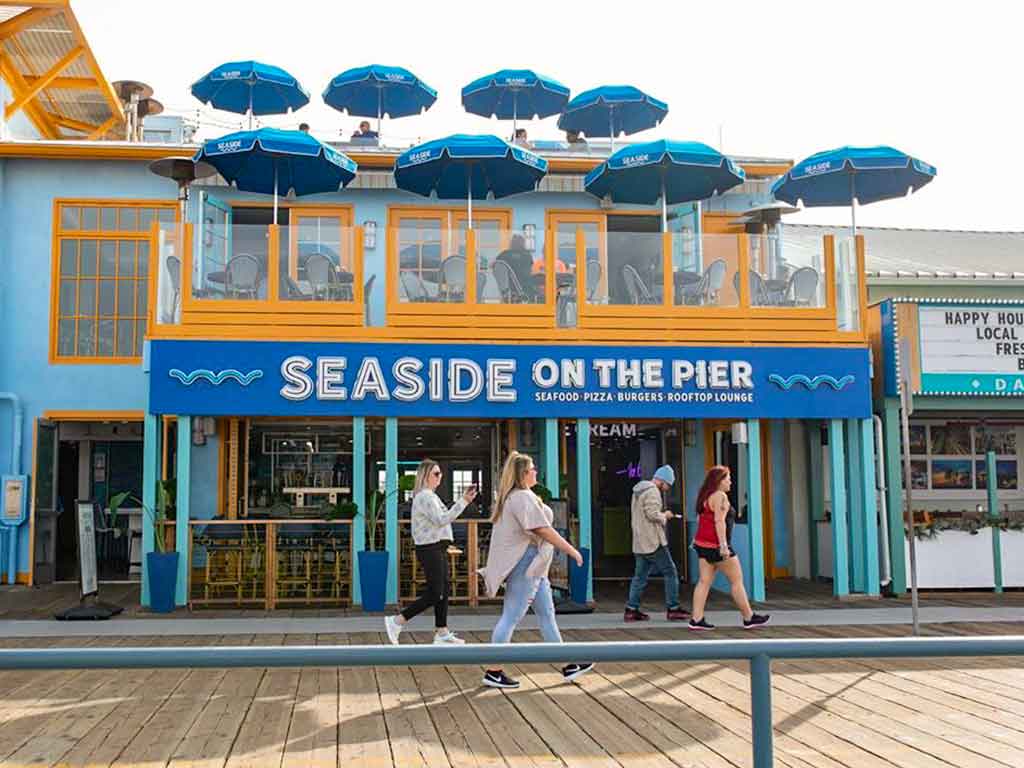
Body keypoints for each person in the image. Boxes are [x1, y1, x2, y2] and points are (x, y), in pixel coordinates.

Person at [478, 452, 593, 689]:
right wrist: (572, 550)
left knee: (546, 615)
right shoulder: (520, 498)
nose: (536, 472)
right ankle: (493, 670)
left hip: (534, 564)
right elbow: (543, 529)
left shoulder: (521, 496)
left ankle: (567, 664)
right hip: (527, 564)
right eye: (532, 469)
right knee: (511, 616)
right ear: (523, 474)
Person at [384, 459, 477, 645]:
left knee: (443, 590)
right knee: (435, 593)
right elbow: (441, 519)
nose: (440, 477)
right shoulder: (425, 496)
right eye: (436, 473)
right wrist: (464, 501)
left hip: (437, 547)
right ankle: (397, 621)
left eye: (440, 473)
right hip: (430, 548)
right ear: (425, 476)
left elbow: (441, 521)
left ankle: (442, 632)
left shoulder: (431, 496)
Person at [689, 465, 770, 630]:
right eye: (728, 478)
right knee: (736, 581)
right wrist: (724, 546)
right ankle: (749, 617)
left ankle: (696, 619)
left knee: (704, 582)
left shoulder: (705, 496)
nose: (730, 482)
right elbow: (719, 521)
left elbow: (702, 520)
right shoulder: (720, 496)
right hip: (717, 546)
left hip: (702, 545)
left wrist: (696, 540)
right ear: (719, 481)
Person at [624, 465, 690, 622]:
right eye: (668, 484)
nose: (667, 489)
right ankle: (673, 608)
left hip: (640, 542)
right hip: (653, 541)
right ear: (662, 480)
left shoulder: (639, 490)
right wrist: (665, 515)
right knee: (670, 572)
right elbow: (652, 514)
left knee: (639, 577)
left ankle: (631, 610)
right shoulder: (653, 491)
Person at [495, 234, 535, 301]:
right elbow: (529, 273)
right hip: (525, 288)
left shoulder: (504, 254)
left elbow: (495, 265)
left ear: (511, 243)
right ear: (523, 244)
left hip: (508, 288)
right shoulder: (527, 255)